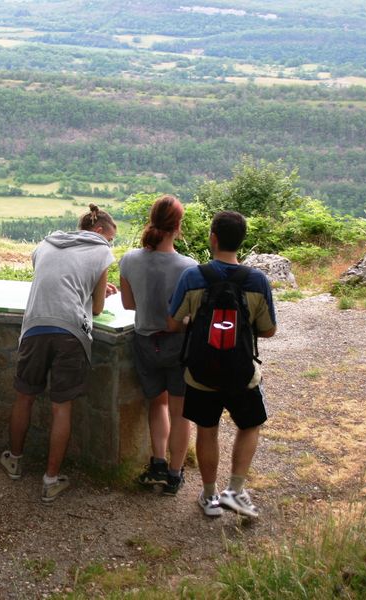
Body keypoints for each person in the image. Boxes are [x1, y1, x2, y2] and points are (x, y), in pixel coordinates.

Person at [0, 204, 117, 503]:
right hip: (70, 333)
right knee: (61, 407)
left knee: (24, 396)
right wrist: (99, 291)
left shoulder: (46, 244)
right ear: (101, 231)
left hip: (35, 326)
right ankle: (51, 480)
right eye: (111, 238)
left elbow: (54, 280)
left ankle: (14, 460)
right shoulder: (102, 250)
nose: (110, 244)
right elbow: (98, 308)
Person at [167, 210, 276, 518]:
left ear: (213, 239)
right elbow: (268, 330)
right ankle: (236, 491)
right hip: (242, 373)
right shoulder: (257, 280)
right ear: (241, 241)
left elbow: (173, 323)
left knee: (207, 429)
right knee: (250, 425)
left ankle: (209, 496)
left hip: (201, 373)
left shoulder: (193, 276)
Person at [119, 195, 197, 495]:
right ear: (178, 226)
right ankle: (175, 475)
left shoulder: (129, 259)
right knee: (180, 411)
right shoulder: (189, 267)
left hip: (144, 342)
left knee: (157, 404)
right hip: (178, 345)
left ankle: (158, 464)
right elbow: (192, 314)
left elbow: (128, 304)